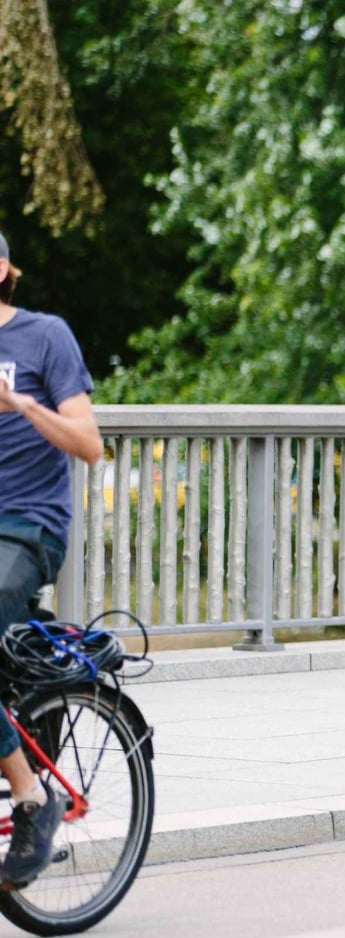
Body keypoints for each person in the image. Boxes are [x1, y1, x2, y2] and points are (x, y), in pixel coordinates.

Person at [0, 231, 103, 889]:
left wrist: (23, 403)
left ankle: (33, 798)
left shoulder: (45, 336)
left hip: (27, 529)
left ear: (4, 268)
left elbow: (90, 444)